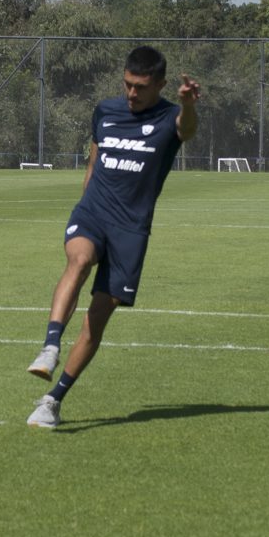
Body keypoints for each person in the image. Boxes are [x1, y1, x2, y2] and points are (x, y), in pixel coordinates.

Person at [25, 46, 200, 428]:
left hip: (130, 230)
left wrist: (188, 105)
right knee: (79, 259)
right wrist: (86, 203)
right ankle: (50, 346)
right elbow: (94, 160)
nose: (131, 94)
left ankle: (53, 401)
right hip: (94, 212)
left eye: (140, 87)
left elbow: (187, 130)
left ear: (161, 85)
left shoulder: (171, 116)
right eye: (127, 85)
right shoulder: (106, 110)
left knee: (97, 319)